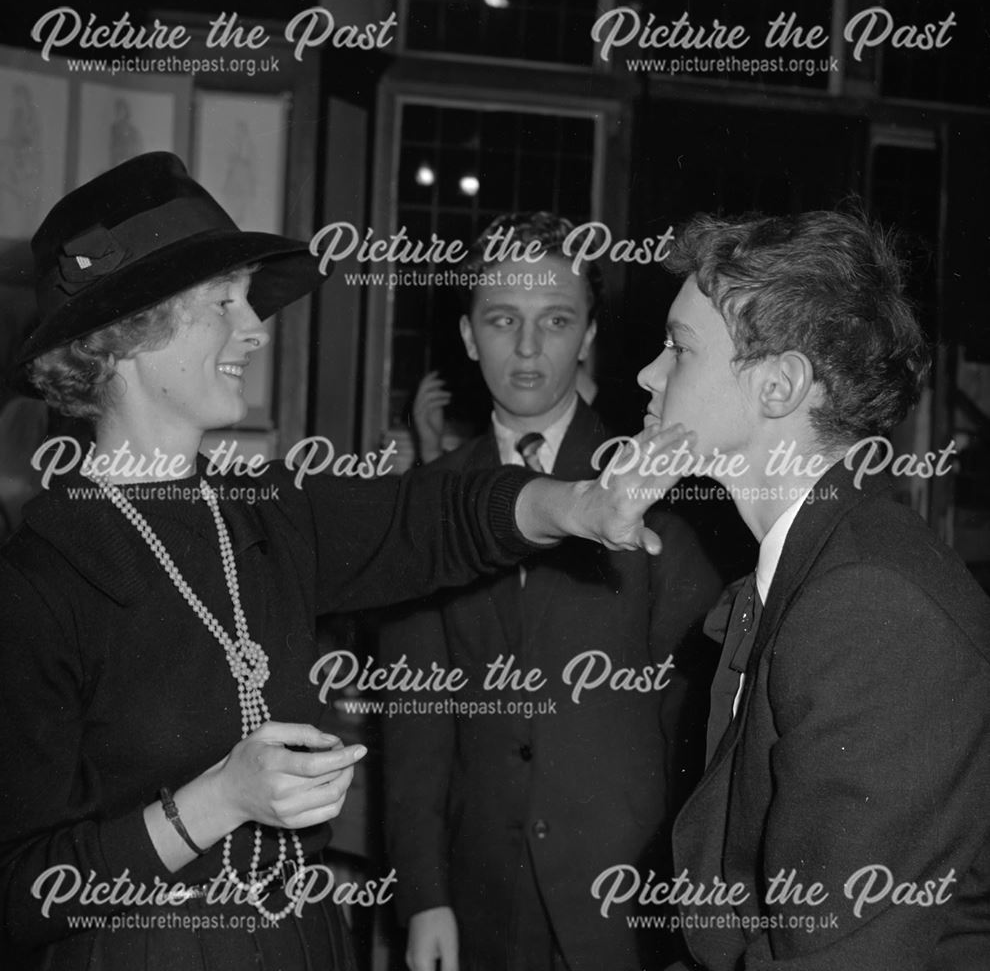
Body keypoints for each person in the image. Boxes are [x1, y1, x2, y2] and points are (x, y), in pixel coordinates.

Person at [0, 153, 688, 971]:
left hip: (298, 941)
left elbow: (432, 516)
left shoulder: (266, 511)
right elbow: (18, 891)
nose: (255, 327)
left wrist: (574, 506)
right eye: (224, 302)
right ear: (127, 338)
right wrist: (218, 800)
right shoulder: (38, 580)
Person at [633, 210, 990, 970]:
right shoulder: (819, 561)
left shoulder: (867, 601)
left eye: (679, 349)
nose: (649, 374)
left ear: (779, 386)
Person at [381, 211, 723, 971]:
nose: (529, 348)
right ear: (469, 336)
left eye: (556, 320)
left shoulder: (655, 492)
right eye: (503, 320)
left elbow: (693, 727)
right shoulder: (423, 504)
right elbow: (416, 728)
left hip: (625, 903)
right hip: (478, 900)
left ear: (590, 333)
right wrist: (424, 895)